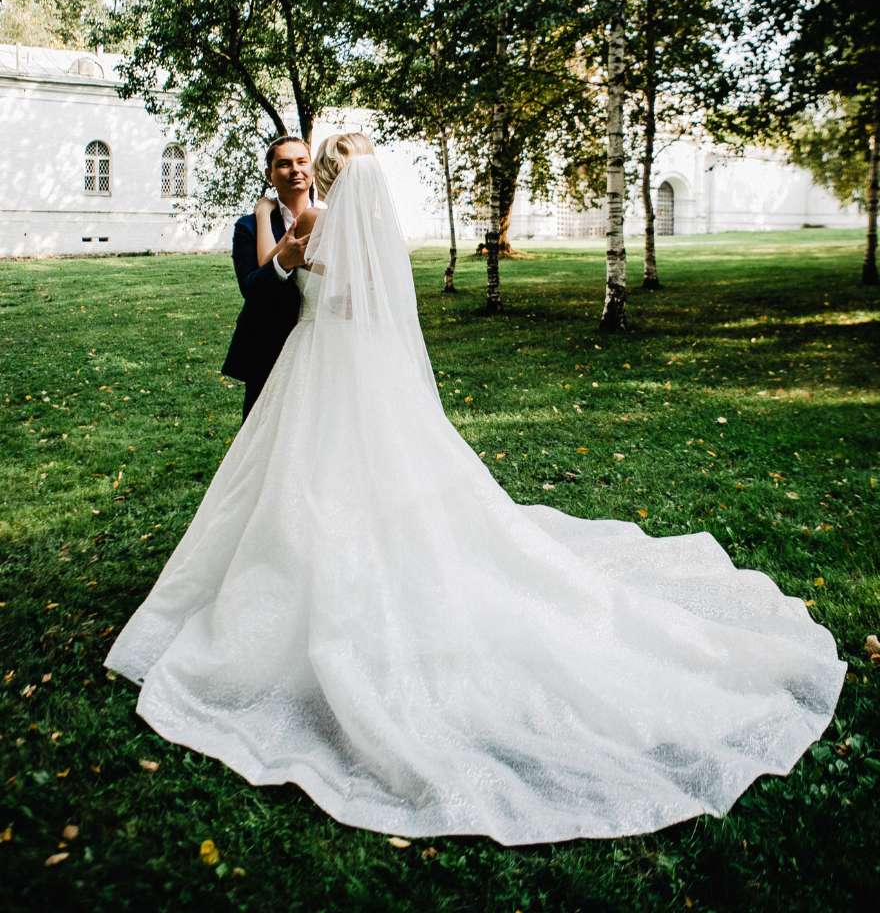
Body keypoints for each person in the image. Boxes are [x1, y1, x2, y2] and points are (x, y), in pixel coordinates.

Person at [107, 133, 845, 846]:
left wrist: (299, 247)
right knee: (345, 483)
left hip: (323, 366)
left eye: (312, 165)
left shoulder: (320, 226)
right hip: (344, 368)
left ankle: (307, 585)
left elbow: (306, 275)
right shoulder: (350, 228)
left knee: (318, 484)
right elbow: (299, 283)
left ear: (325, 175)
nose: (303, 174)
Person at [221, 135, 313, 421]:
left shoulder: (332, 216)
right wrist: (281, 261)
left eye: (302, 162)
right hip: (267, 346)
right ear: (269, 174)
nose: (295, 170)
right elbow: (250, 284)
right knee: (260, 430)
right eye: (284, 164)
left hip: (319, 344)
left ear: (313, 168)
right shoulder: (248, 225)